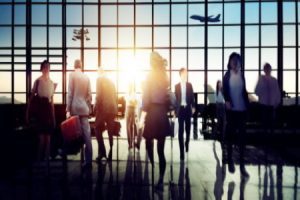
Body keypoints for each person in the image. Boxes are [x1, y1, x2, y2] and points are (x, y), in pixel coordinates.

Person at [140, 51, 171, 190]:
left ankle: (152, 166)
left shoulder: (149, 76)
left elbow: (145, 98)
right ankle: (160, 180)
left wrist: (143, 115)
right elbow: (167, 96)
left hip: (152, 112)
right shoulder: (164, 76)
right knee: (161, 150)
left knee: (148, 143)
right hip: (162, 114)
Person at [223, 52, 249, 177]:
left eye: (237, 60)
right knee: (231, 136)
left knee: (242, 138)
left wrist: (248, 105)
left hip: (242, 109)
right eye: (233, 60)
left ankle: (242, 165)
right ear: (230, 62)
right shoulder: (227, 76)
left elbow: (244, 91)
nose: (235, 62)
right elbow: (224, 91)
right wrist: (227, 101)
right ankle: (230, 160)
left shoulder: (242, 76)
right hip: (232, 110)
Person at [27, 60, 56, 162]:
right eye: (44, 67)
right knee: (41, 139)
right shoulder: (37, 81)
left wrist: (53, 118)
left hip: (47, 109)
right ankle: (39, 161)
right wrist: (27, 113)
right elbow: (31, 98)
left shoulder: (52, 83)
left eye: (48, 67)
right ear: (42, 69)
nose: (46, 69)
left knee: (48, 139)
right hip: (40, 109)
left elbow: (51, 101)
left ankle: (46, 162)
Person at [66, 59, 93, 169]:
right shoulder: (86, 77)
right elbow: (89, 95)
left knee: (74, 133)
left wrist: (68, 108)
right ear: (81, 66)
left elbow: (70, 93)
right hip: (84, 108)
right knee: (87, 135)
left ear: (74, 65)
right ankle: (88, 161)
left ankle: (71, 151)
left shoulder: (72, 75)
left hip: (75, 108)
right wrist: (87, 107)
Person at [94, 66, 118, 162]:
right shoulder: (112, 82)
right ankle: (111, 151)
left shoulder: (99, 79)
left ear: (100, 72)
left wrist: (95, 106)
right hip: (112, 108)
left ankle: (102, 152)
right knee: (110, 131)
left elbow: (99, 95)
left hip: (104, 108)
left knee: (96, 128)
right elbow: (115, 96)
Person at [175, 68, 195, 161]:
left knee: (188, 130)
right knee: (180, 131)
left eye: (186, 73)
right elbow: (176, 100)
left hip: (187, 109)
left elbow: (192, 97)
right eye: (183, 73)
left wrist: (193, 106)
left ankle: (187, 142)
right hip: (180, 110)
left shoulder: (189, 85)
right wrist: (174, 110)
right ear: (180, 74)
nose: (185, 74)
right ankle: (181, 153)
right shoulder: (177, 86)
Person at [255, 63, 280, 131]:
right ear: (264, 70)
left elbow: (277, 92)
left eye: (268, 68)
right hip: (264, 104)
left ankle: (270, 137)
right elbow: (256, 91)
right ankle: (266, 137)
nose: (268, 70)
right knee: (265, 122)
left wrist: (277, 102)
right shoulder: (261, 79)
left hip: (271, 104)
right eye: (266, 68)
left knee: (271, 122)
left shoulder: (274, 80)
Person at [126, 82, 138, 150]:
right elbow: (132, 102)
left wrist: (132, 102)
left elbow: (134, 102)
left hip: (131, 109)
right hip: (131, 109)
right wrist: (133, 102)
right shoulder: (131, 93)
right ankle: (131, 143)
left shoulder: (133, 93)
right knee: (130, 126)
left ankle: (131, 143)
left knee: (131, 126)